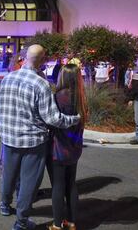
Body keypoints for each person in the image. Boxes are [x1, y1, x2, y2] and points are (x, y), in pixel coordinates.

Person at [0, 44, 80, 230]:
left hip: (9, 138)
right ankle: (22, 221)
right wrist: (74, 119)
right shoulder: (40, 84)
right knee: (29, 182)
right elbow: (52, 118)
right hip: (33, 141)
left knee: (9, 173)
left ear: (25, 57)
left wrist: (2, 130)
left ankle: (4, 204)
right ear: (42, 61)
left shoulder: (7, 78)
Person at [48, 64, 88, 230]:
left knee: (58, 186)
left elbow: (52, 120)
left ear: (62, 76)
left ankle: (57, 224)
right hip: (74, 148)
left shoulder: (58, 96)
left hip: (58, 148)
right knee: (71, 184)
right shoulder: (81, 97)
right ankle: (71, 223)